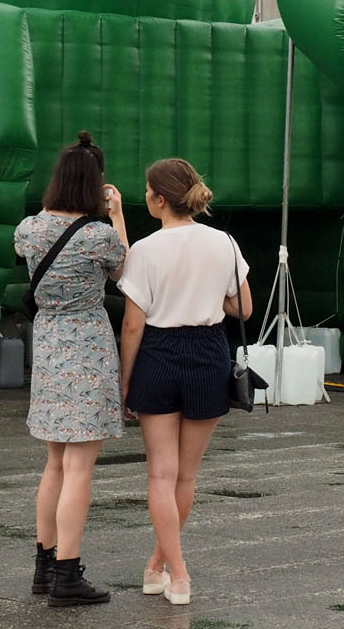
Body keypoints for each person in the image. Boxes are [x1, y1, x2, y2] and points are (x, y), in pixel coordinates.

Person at [119, 159, 253, 607]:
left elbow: (133, 327)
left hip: (158, 353)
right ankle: (160, 568)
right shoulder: (224, 242)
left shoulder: (145, 249)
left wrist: (125, 381)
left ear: (159, 199)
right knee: (186, 476)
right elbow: (244, 309)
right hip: (208, 352)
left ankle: (175, 571)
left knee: (160, 473)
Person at [16, 133, 129, 605]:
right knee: (81, 466)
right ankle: (68, 575)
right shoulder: (99, 235)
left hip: (47, 346)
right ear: (96, 183)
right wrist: (118, 213)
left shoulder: (27, 229)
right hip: (89, 348)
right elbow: (125, 272)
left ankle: (44, 566)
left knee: (55, 462)